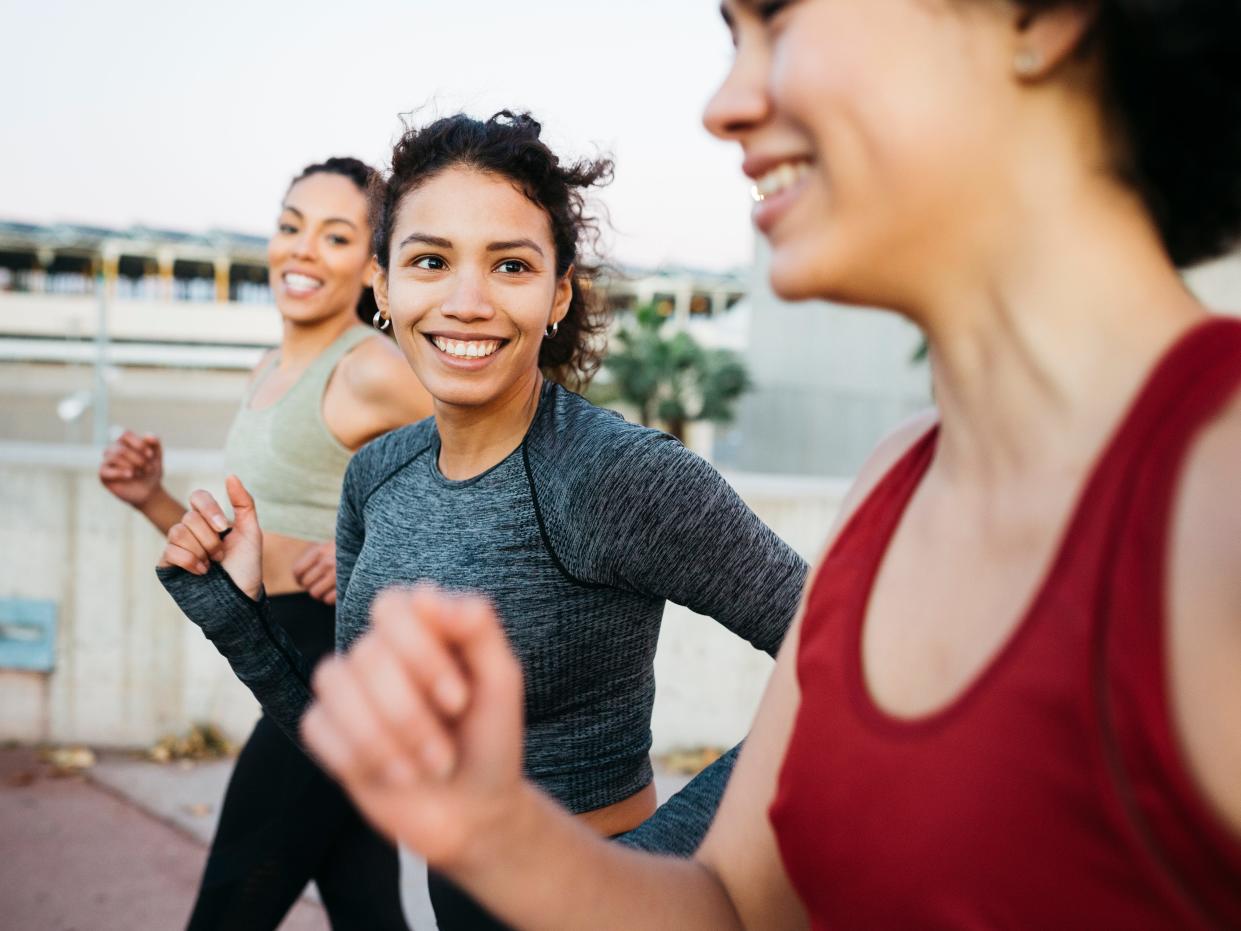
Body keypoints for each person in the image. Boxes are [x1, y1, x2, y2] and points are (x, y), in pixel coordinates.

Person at [289, 2, 1241, 929]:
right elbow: (731, 905)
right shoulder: (897, 479)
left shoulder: (1218, 490)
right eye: (730, 35)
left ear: (1035, 16)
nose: (724, 103)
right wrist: (498, 830)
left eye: (779, 20)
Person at [151, 112, 809, 930]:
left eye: (510, 264)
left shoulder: (612, 473)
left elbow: (842, 662)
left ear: (558, 292)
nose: (466, 302)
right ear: (384, 288)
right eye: (430, 261)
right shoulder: (377, 476)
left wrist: (662, 865)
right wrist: (236, 611)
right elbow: (373, 755)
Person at [99, 156, 431, 930]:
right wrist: (153, 497)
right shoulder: (269, 366)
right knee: (366, 903)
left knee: (228, 907)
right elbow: (251, 539)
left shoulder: (369, 368)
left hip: (334, 660)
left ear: (371, 266)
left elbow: (488, 459)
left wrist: (377, 557)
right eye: (291, 227)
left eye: (336, 235)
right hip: (280, 639)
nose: (303, 250)